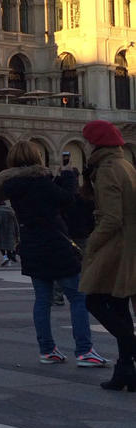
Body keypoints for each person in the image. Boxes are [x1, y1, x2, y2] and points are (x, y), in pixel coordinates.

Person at [0, 140, 105, 367]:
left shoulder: (13, 185)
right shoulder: (39, 182)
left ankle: (47, 350)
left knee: (42, 300)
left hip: (31, 244)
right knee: (77, 296)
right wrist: (68, 176)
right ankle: (85, 351)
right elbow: (67, 199)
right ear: (37, 159)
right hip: (55, 243)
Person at [78, 120, 136, 391]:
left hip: (117, 246)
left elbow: (111, 218)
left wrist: (92, 245)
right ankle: (126, 370)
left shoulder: (108, 170)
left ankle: (131, 354)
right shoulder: (125, 164)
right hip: (128, 245)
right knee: (120, 306)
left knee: (95, 300)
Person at [0, 199, 20, 266]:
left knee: (1, 246)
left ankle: (5, 257)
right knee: (9, 247)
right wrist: (17, 232)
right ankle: (9, 260)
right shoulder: (11, 211)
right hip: (10, 230)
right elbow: (15, 222)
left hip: (1, 231)